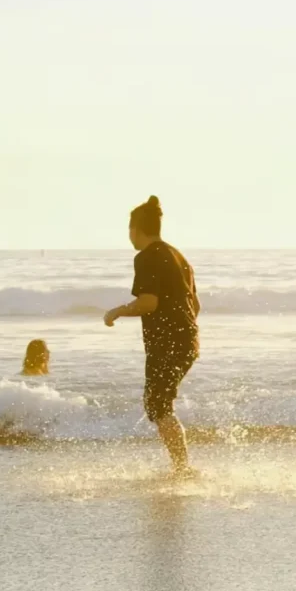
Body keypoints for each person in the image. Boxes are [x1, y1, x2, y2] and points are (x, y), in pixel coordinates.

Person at [104, 196, 200, 474]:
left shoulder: (146, 257)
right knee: (159, 403)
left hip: (167, 342)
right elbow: (195, 305)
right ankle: (182, 466)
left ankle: (183, 468)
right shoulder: (179, 256)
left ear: (135, 229)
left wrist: (117, 311)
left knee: (158, 405)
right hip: (188, 340)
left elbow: (149, 302)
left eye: (129, 230)